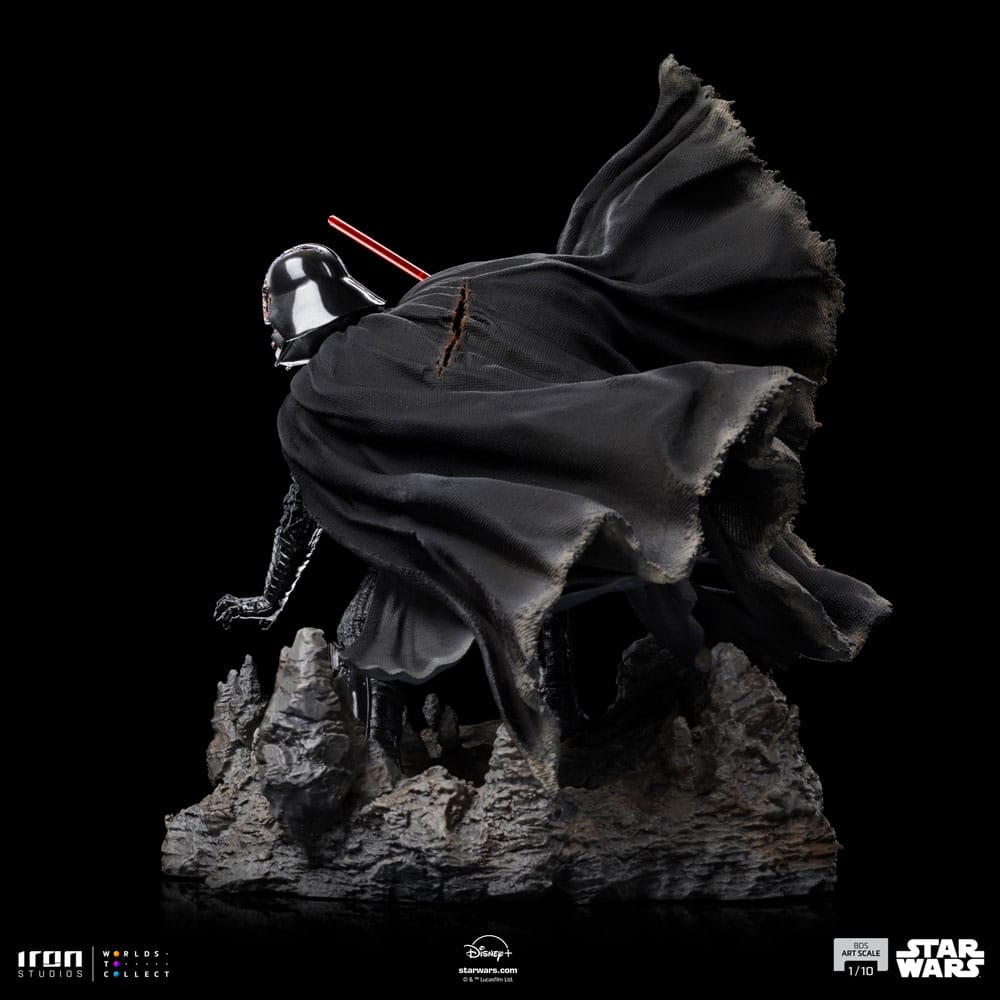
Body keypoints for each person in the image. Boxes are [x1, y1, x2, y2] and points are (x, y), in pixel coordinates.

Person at [215, 57, 890, 789]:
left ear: (283, 316)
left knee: (376, 641)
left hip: (499, 527)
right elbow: (554, 293)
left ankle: (448, 754)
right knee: (541, 585)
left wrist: (271, 599)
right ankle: (546, 731)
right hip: (544, 507)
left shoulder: (323, 391)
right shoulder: (442, 298)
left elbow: (304, 509)